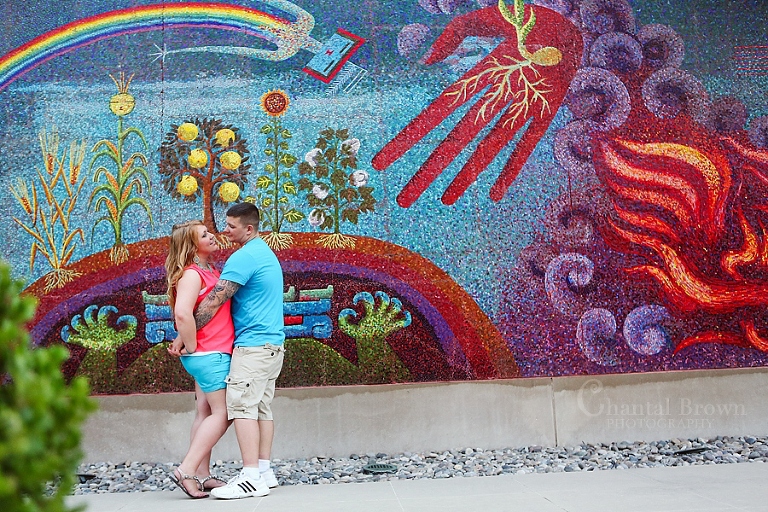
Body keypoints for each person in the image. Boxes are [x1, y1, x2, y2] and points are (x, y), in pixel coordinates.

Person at [193, 202, 285, 500]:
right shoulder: (263, 252)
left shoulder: (243, 258)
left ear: (249, 228)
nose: (225, 230)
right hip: (272, 345)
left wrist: (186, 336)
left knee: (242, 407)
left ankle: (250, 477)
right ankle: (264, 470)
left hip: (253, 346)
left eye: (231, 226)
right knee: (260, 408)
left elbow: (214, 302)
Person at [165, 220, 235, 499]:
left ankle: (202, 476)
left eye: (208, 231)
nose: (212, 236)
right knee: (225, 413)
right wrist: (192, 345)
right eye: (204, 235)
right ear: (192, 246)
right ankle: (186, 470)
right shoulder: (192, 274)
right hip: (209, 354)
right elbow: (182, 313)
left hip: (208, 353)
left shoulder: (209, 271)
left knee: (205, 413)